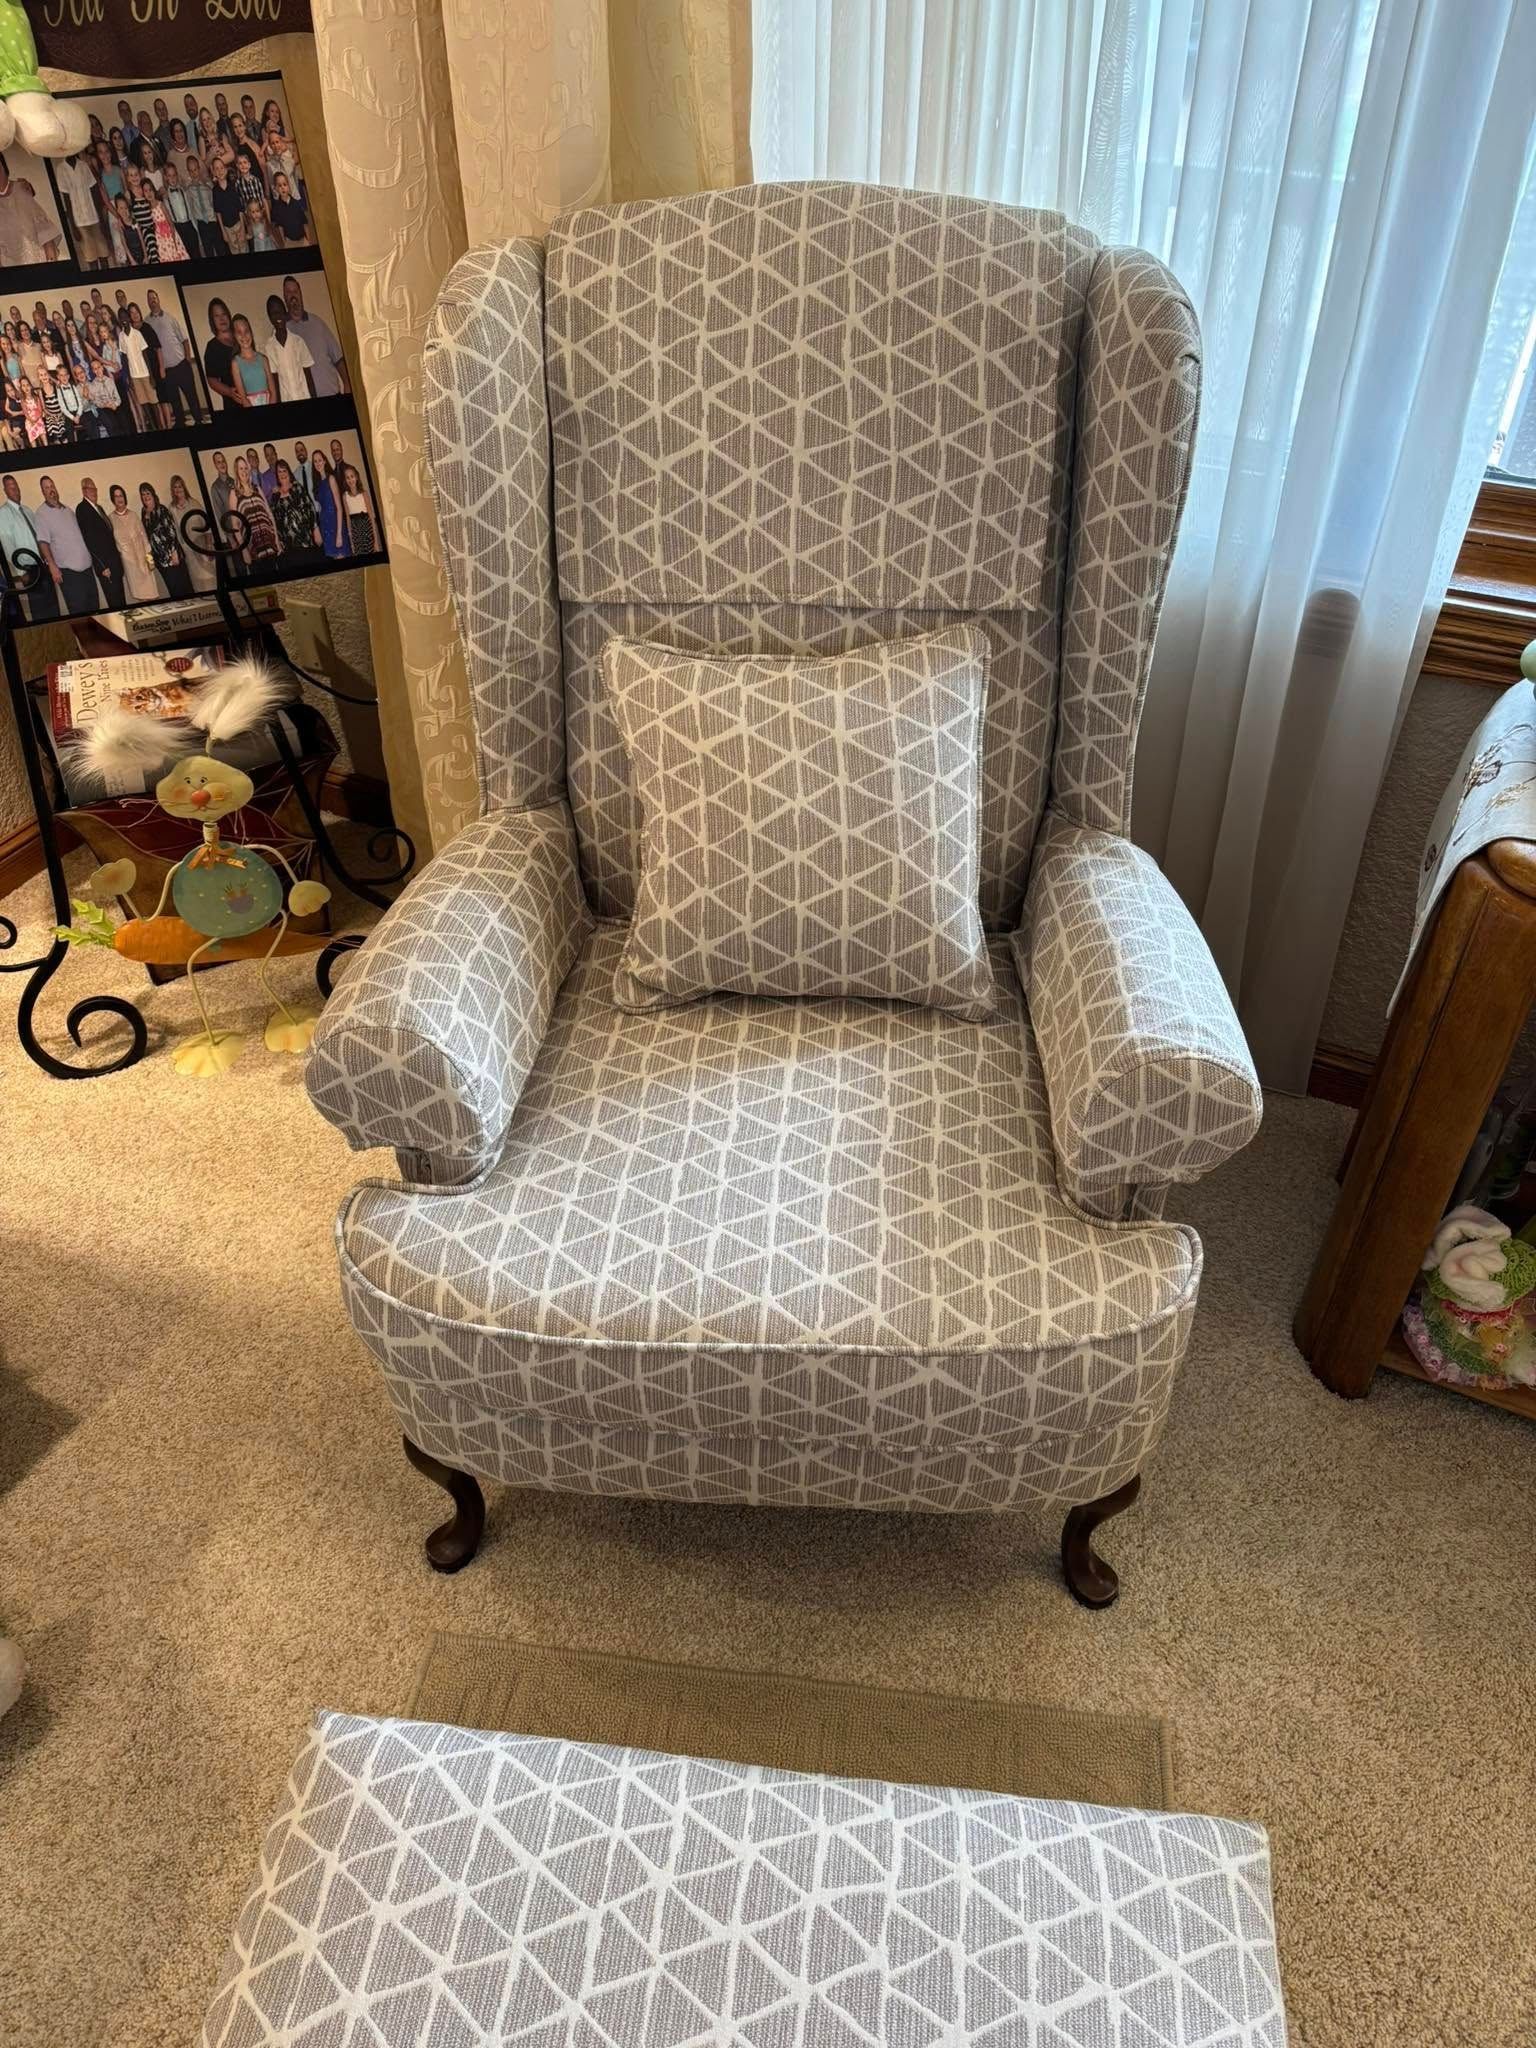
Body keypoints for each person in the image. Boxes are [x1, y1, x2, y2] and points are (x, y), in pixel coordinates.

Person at [34, 475, 100, 614]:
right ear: (43, 492)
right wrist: (52, 566)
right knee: (79, 614)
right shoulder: (41, 514)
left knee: (95, 609)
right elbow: (43, 542)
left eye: (52, 486)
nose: (51, 489)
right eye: (47, 487)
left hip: (87, 571)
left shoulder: (68, 510)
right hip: (69, 575)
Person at [0, 473, 55, 620]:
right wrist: (21, 572)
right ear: (5, 491)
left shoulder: (28, 510)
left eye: (16, 486)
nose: (15, 490)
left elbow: (39, 538)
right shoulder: (3, 513)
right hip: (29, 571)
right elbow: (7, 545)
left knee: (53, 608)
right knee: (40, 612)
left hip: (43, 567)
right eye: (11, 487)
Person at [282, 276, 348, 397]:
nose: (293, 295)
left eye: (295, 291)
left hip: (332, 394)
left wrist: (347, 384)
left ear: (300, 294)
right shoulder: (282, 331)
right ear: (284, 297)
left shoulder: (317, 323)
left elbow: (338, 358)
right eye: (288, 292)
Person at [145, 289, 200, 425]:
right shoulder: (146, 322)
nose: (152, 300)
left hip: (181, 365)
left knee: (192, 397)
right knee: (174, 402)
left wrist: (187, 360)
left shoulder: (170, 318)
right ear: (147, 302)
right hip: (166, 371)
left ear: (158, 299)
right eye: (150, 298)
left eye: (154, 297)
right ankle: (180, 423)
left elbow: (185, 339)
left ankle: (199, 420)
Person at [0, 153, 63, 265]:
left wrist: (52, 262)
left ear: (3, 166)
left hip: (38, 259)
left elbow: (44, 230)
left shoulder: (21, 188)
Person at [75, 477, 124, 609]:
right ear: (84, 491)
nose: (94, 491)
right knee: (115, 604)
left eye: (95, 488)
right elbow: (89, 541)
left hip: (114, 563)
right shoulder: (82, 509)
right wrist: (102, 566)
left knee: (121, 600)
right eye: (90, 488)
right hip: (105, 568)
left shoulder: (99, 508)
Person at [56, 148, 107, 269]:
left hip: (93, 216)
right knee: (90, 256)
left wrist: (101, 217)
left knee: (103, 253)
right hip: (79, 220)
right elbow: (66, 199)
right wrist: (73, 226)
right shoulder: (61, 169)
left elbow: (94, 191)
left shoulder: (84, 165)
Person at [140, 482, 191, 599]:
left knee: (183, 588)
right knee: (173, 590)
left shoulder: (161, 509)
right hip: (159, 559)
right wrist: (150, 559)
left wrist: (174, 553)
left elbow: (171, 531)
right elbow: (146, 537)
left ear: (153, 494)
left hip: (172, 556)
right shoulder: (143, 512)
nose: (146, 496)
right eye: (143, 494)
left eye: (148, 493)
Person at [109, 482, 159, 602]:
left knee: (152, 595)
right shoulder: (110, 519)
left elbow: (144, 539)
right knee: (141, 597)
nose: (119, 498)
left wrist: (150, 561)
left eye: (121, 495)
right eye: (116, 496)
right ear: (112, 499)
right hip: (129, 565)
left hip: (144, 562)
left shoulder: (134, 515)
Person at [262, 293, 315, 403]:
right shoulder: (268, 348)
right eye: (274, 313)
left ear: (285, 314)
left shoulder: (298, 341)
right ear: (270, 318)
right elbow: (275, 383)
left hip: (304, 396)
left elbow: (309, 377)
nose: (278, 316)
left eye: (280, 311)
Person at [169, 473, 217, 591]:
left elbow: (207, 525)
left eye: (180, 486)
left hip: (203, 548)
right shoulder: (172, 508)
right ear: (172, 490)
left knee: (211, 580)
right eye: (175, 487)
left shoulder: (194, 503)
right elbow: (175, 532)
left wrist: (209, 546)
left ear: (184, 487)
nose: (178, 489)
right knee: (198, 584)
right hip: (189, 552)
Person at [270, 458, 322, 564]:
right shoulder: (275, 495)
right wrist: (278, 541)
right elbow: (274, 520)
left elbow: (310, 507)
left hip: (304, 539)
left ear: (289, 472)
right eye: (279, 471)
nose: (282, 474)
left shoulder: (297, 487)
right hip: (288, 546)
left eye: (284, 470)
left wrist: (315, 529)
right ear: (277, 475)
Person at [231, 455, 279, 566]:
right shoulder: (234, 493)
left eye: (245, 468)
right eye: (241, 468)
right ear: (236, 471)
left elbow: (269, 514)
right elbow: (235, 525)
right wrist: (244, 550)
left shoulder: (257, 488)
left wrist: (276, 538)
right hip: (252, 548)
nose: (244, 471)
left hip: (269, 543)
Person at [119, 305, 158, 433]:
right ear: (119, 320)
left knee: (153, 401)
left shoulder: (137, 333)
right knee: (143, 402)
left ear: (129, 318)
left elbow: (145, 354)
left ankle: (159, 426)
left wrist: (151, 376)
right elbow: (124, 358)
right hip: (134, 375)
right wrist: (128, 377)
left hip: (145, 373)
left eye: (125, 316)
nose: (123, 319)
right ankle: (152, 426)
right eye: (121, 317)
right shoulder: (121, 336)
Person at [201, 298, 244, 410]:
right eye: (216, 316)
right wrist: (230, 392)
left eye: (223, 314)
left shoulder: (241, 336)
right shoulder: (212, 347)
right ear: (212, 320)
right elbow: (212, 380)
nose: (221, 319)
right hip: (234, 401)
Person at [310, 448, 349, 560]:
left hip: (335, 524)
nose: (318, 463)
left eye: (319, 460)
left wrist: (339, 534)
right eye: (315, 461)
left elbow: (339, 508)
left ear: (324, 461)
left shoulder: (331, 478)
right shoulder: (317, 483)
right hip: (325, 526)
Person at [231, 314, 276, 407]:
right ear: (234, 336)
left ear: (251, 333)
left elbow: (273, 392)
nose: (244, 336)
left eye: (246, 331)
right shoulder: (235, 363)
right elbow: (243, 399)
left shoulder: (263, 359)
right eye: (239, 332)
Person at [209, 156, 245, 254]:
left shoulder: (233, 185)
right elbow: (218, 212)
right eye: (216, 169)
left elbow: (240, 208)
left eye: (221, 168)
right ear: (213, 172)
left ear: (225, 169)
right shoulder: (215, 191)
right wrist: (223, 231)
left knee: (244, 248)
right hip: (227, 227)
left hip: (238, 224)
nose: (220, 171)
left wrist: (243, 227)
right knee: (234, 251)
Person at [340, 463, 376, 556]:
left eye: (352, 476)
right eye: (347, 477)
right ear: (345, 480)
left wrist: (375, 539)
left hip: (366, 527)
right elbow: (348, 517)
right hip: (355, 529)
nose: (350, 480)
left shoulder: (364, 493)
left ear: (356, 477)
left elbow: (371, 516)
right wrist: (351, 540)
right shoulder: (345, 496)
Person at [268, 171, 311, 248]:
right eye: (279, 185)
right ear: (276, 188)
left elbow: (304, 222)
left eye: (284, 184)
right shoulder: (277, 208)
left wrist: (308, 240)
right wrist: (284, 242)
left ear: (288, 186)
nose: (282, 187)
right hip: (289, 242)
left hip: (302, 240)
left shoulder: (296, 203)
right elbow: (280, 227)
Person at [207, 447, 238, 541]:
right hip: (231, 532)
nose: (222, 464)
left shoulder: (234, 481)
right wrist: (230, 538)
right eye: (218, 462)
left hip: (242, 526)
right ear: (215, 465)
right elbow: (219, 515)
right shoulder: (215, 487)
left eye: (223, 461)